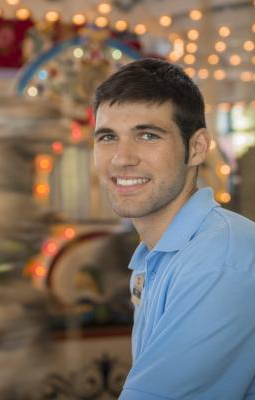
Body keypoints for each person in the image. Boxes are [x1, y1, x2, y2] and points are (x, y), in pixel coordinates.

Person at [93, 58, 255, 400]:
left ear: (196, 148)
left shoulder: (218, 260)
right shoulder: (157, 253)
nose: (121, 158)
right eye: (108, 137)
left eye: (147, 135)